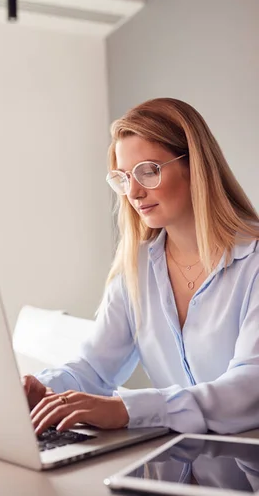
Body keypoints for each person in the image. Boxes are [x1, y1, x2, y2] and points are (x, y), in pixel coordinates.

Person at [23, 98, 259, 437]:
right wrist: (38, 390)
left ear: (195, 168)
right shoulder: (136, 267)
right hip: (181, 465)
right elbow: (94, 368)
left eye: (148, 171)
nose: (133, 192)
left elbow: (250, 388)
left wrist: (126, 410)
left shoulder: (253, 262)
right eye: (122, 177)